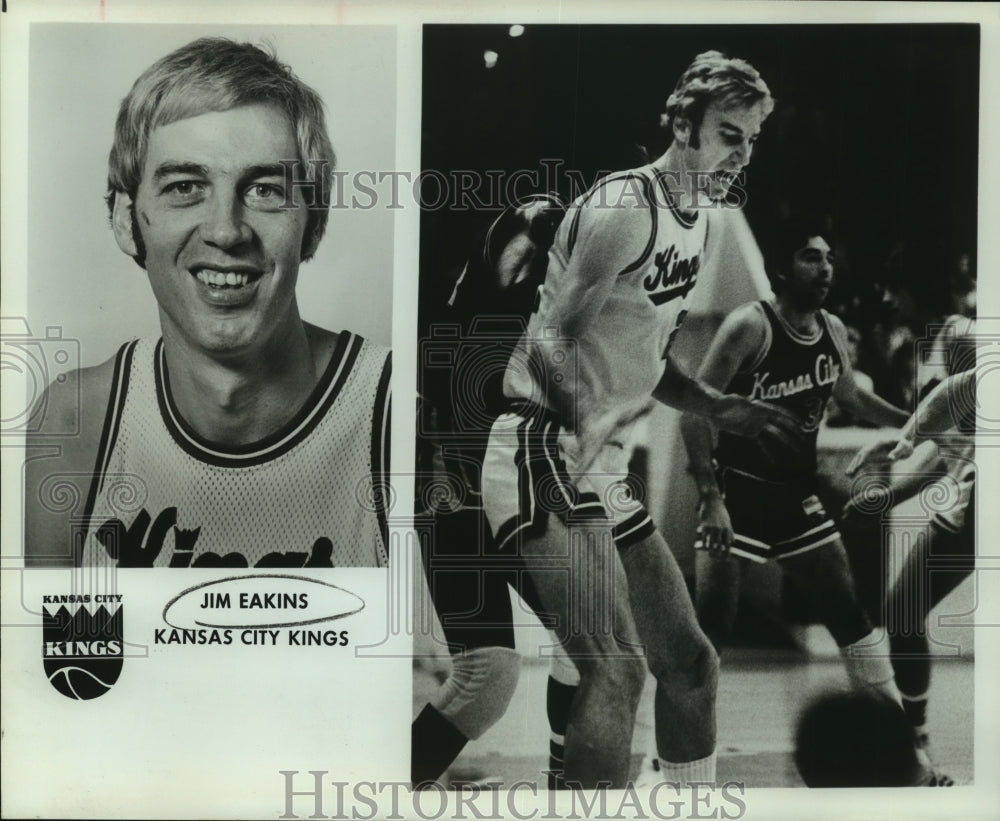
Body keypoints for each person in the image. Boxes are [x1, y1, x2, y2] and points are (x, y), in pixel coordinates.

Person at [480, 51, 797, 789]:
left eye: (751, 139)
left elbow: (648, 361)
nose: (740, 154)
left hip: (600, 465)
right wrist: (589, 413)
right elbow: (549, 339)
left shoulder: (704, 224)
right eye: (728, 133)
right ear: (683, 124)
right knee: (615, 667)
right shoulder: (627, 206)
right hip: (541, 442)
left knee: (690, 663)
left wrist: (721, 407)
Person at [24, 38, 391, 568]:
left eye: (265, 189)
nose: (226, 230)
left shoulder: (405, 415)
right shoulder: (73, 422)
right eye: (185, 186)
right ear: (127, 221)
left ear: (314, 224)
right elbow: (60, 654)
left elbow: (486, 649)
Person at [680, 218, 910, 711]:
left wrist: (915, 422)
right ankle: (662, 760)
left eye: (828, 258)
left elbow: (852, 397)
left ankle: (905, 753)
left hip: (793, 497)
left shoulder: (832, 329)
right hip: (735, 496)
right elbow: (694, 411)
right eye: (811, 257)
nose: (826, 268)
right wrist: (710, 498)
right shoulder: (749, 326)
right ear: (780, 271)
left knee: (851, 618)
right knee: (710, 637)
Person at [413, 195, 581, 788]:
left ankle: (566, 787)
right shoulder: (538, 232)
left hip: (513, 474)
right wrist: (437, 457)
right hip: (458, 472)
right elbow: (451, 347)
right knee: (485, 678)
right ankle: (385, 792)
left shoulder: (589, 264)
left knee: (589, 647)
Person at [844, 329, 977, 786]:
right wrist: (891, 492)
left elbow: (961, 388)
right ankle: (916, 737)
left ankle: (915, 739)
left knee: (901, 609)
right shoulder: (955, 357)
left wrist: (902, 441)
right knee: (901, 610)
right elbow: (949, 452)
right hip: (970, 505)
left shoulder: (967, 338)